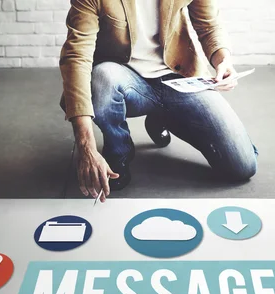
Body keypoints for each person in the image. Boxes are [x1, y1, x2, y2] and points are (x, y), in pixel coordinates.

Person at [60, 0, 257, 202]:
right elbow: (77, 57)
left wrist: (222, 60)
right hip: (125, 78)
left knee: (243, 166)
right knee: (102, 78)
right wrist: (86, 147)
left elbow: (208, 25)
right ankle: (118, 152)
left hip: (179, 77)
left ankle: (162, 116)